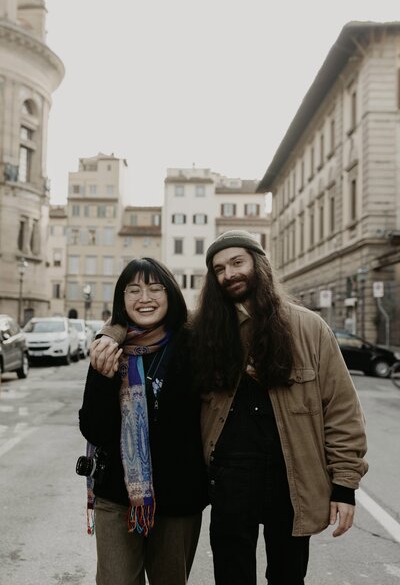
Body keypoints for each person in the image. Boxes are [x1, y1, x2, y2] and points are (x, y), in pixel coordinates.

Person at [90, 231, 368, 585]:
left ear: (260, 265)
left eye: (237, 263)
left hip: (292, 479)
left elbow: (342, 410)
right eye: (219, 269)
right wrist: (111, 333)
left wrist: (345, 487)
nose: (229, 274)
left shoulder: (310, 328)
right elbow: (147, 324)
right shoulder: (203, 329)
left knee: (288, 576)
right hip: (229, 481)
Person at [79, 257, 208, 585]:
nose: (144, 298)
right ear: (121, 300)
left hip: (179, 499)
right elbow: (94, 429)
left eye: (154, 288)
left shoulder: (195, 345)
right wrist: (105, 377)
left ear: (171, 294)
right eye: (133, 290)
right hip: (116, 496)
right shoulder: (108, 349)